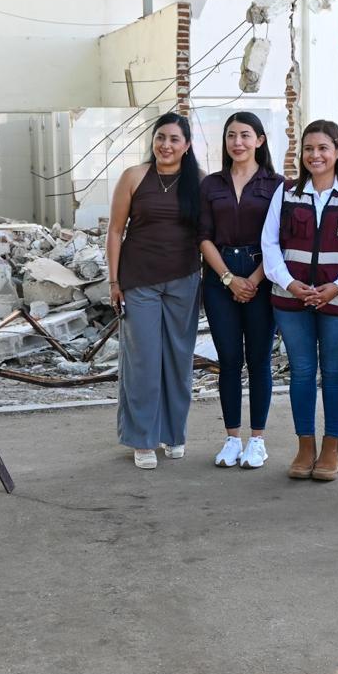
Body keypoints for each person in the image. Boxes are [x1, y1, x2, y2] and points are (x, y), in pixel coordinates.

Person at [261, 119, 338, 482]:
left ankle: (331, 447)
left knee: (334, 372)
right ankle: (305, 446)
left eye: (323, 148)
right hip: (291, 300)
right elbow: (269, 243)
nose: (315, 155)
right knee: (303, 371)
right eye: (309, 148)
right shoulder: (286, 192)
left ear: (337, 151)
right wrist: (290, 283)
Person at [106, 112, 203, 470]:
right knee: (143, 362)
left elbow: (206, 235)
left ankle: (173, 434)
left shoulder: (200, 181)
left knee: (178, 361)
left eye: (175, 139)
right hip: (139, 280)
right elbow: (115, 231)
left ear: (187, 145)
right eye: (161, 137)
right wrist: (114, 281)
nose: (166, 145)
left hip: (184, 280)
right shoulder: (134, 176)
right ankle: (142, 438)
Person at [199, 112, 284, 469]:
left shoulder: (277, 185)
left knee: (259, 360)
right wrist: (229, 279)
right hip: (219, 280)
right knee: (230, 360)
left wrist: (255, 279)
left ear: (260, 141)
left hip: (262, 278)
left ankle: (257, 441)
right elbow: (203, 236)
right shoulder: (211, 184)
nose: (238, 142)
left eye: (245, 135)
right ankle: (232, 438)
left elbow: (280, 240)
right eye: (231, 135)